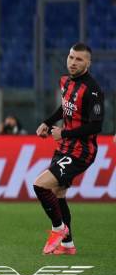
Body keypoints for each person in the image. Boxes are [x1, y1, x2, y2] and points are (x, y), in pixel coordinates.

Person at [34, 43, 103, 255]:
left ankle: (59, 229)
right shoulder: (65, 80)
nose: (73, 62)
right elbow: (64, 108)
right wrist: (47, 122)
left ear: (88, 63)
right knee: (58, 192)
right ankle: (67, 245)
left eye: (79, 59)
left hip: (82, 151)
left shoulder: (93, 90)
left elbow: (96, 125)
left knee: (40, 185)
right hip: (65, 147)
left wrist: (63, 133)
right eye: (71, 57)